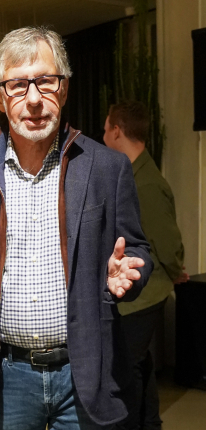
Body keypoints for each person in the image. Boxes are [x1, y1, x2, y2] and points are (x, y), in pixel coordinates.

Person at [0, 27, 154, 430]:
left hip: (87, 373)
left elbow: (137, 249)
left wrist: (128, 274)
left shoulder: (107, 168)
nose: (34, 99)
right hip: (7, 377)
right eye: (18, 85)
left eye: (46, 81)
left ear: (65, 87)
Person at [103, 100, 187, 430]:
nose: (103, 135)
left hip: (145, 294)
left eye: (105, 128)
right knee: (141, 362)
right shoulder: (132, 173)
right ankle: (150, 422)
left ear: (117, 131)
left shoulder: (146, 183)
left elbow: (165, 237)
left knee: (128, 368)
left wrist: (176, 269)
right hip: (138, 290)